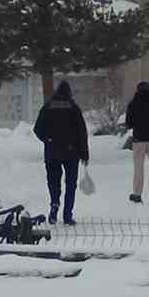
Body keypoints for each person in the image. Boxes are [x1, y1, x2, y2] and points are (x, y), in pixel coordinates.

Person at [33, 81, 89, 225]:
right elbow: (82, 132)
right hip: (72, 153)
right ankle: (67, 215)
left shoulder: (48, 107)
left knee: (53, 182)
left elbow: (37, 129)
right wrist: (84, 153)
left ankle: (54, 203)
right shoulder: (74, 108)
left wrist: (48, 139)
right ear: (69, 93)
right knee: (71, 184)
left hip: (52, 152)